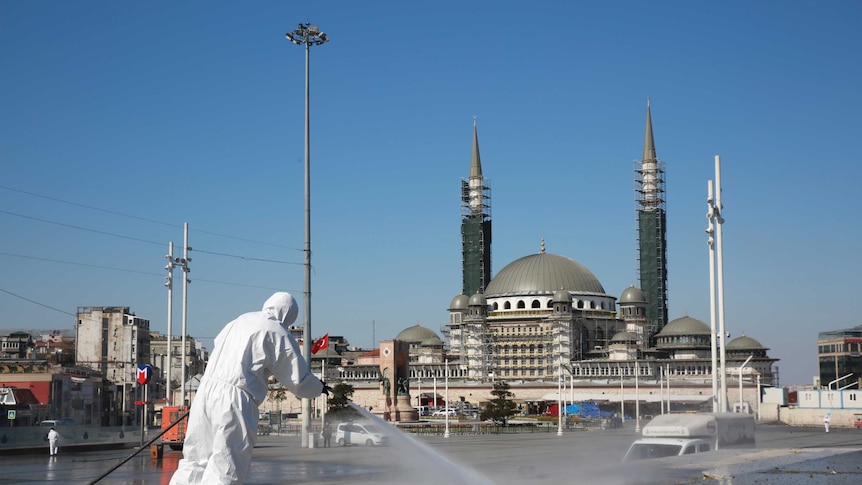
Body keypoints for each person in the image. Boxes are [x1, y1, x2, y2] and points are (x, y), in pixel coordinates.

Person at [170, 292, 332, 485]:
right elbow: (298, 378)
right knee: (226, 463)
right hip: (234, 399)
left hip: (205, 392)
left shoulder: (239, 320)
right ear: (288, 315)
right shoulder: (277, 331)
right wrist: (318, 388)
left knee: (195, 459)